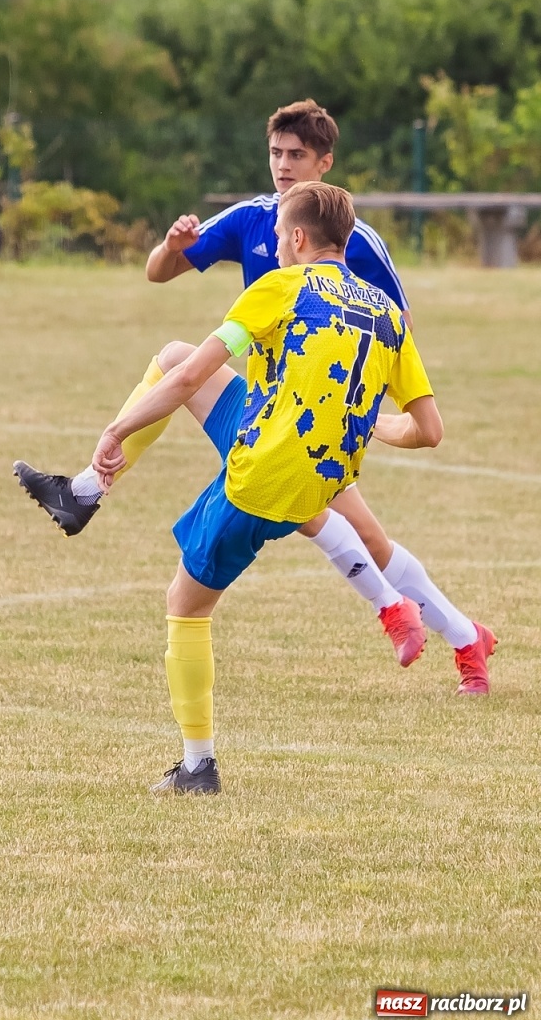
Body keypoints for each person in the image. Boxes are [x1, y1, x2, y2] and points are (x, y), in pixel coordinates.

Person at [21, 184, 447, 793]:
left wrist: (116, 430)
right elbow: (429, 430)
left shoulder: (277, 287)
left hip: (262, 479)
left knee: (186, 605)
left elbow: (195, 376)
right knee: (173, 355)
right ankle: (82, 494)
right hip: (316, 476)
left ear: (297, 237)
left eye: (278, 236)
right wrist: (376, 423)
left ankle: (198, 766)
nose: (274, 244)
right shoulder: (387, 315)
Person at [121, 97, 493, 689]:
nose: (283, 165)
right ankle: (430, 623)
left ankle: (444, 627)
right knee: (179, 365)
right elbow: (159, 271)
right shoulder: (252, 218)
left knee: (355, 531)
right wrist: (170, 245)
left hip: (319, 412)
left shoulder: (354, 239)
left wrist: (356, 396)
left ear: (325, 164)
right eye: (276, 153)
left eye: (296, 155)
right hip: (273, 407)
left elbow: (397, 327)